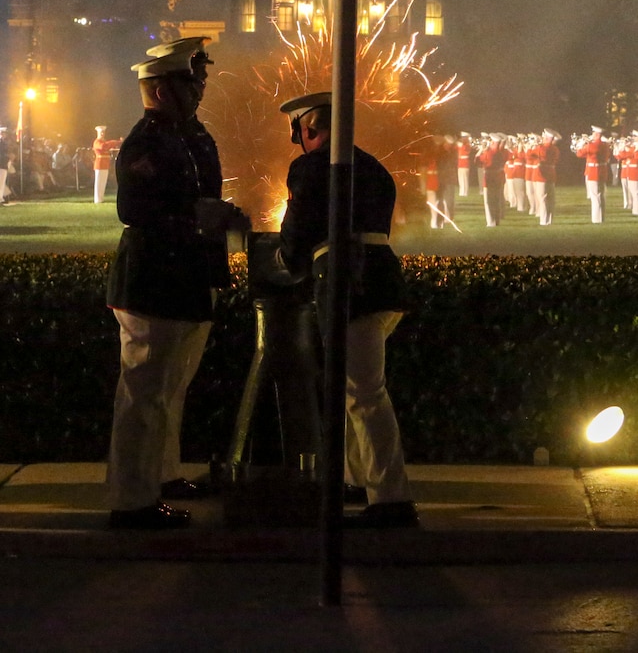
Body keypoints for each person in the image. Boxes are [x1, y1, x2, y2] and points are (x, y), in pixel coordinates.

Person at [105, 36, 250, 529]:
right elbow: (135, 209)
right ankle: (132, 500)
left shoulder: (188, 135)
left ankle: (160, 477)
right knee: (144, 393)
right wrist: (195, 215)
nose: (202, 89)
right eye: (193, 81)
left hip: (184, 276)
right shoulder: (148, 141)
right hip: (154, 277)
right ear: (164, 89)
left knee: (170, 389)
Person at [274, 91, 418, 529]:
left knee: (363, 393)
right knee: (355, 388)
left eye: (299, 131)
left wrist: (285, 258)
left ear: (309, 129)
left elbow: (298, 230)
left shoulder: (310, 166)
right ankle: (357, 478)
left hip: (348, 286)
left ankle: (390, 499)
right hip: (381, 284)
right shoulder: (372, 166)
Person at [575, 125, 611, 224]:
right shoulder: (605, 145)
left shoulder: (592, 145)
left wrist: (581, 144)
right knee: (601, 196)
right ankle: (601, 217)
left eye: (593, 133)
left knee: (595, 196)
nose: (592, 135)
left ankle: (596, 219)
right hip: (602, 171)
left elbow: (579, 154)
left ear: (596, 134)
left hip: (593, 171)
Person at [92, 125, 122, 203]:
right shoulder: (97, 142)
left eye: (103, 132)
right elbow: (103, 147)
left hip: (105, 164)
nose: (102, 134)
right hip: (99, 164)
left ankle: (100, 199)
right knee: (98, 183)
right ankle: (97, 199)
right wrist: (115, 142)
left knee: (103, 183)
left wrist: (118, 142)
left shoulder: (104, 142)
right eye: (101, 132)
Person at [0, 127, 9, 204]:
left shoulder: (4, 142)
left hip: (3, 164)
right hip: (2, 164)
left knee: (2, 182)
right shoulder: (2, 143)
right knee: (1, 182)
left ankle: (1, 197)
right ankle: (0, 198)